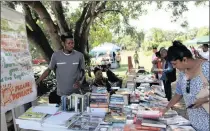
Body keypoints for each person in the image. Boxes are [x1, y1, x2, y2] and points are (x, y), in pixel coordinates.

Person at [160, 41, 209, 131]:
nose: (174, 67)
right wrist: (166, 108)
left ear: (185, 59)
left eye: (175, 64)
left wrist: (205, 99)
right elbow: (178, 94)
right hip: (194, 124)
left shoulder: (206, 68)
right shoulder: (182, 73)